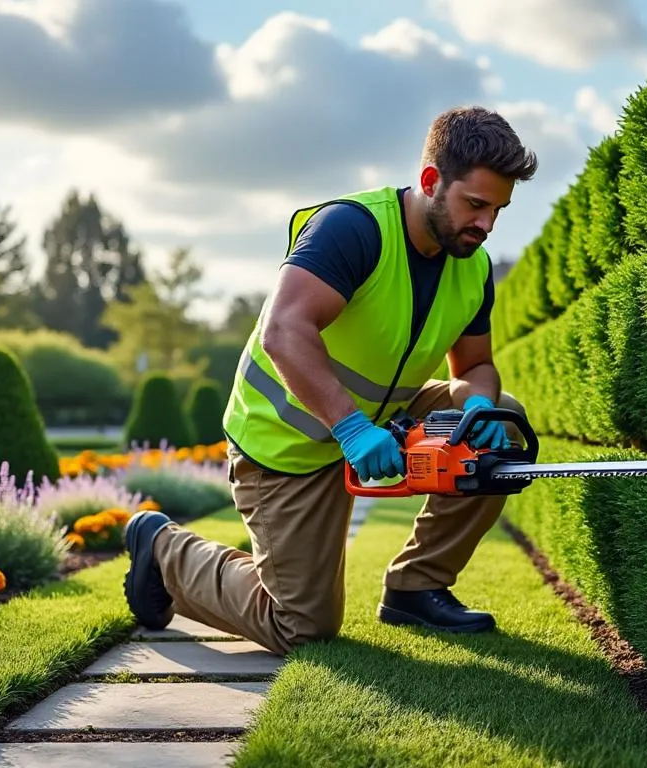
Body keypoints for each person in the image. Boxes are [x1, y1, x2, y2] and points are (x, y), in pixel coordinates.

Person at [122, 105, 539, 656]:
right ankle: (163, 550)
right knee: (301, 625)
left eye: (498, 210)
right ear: (430, 181)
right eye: (476, 204)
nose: (486, 225)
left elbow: (475, 368)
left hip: (382, 420)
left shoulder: (474, 267)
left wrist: (478, 405)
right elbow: (284, 330)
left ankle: (417, 587)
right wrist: (352, 429)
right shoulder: (352, 228)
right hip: (285, 442)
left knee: (503, 422)